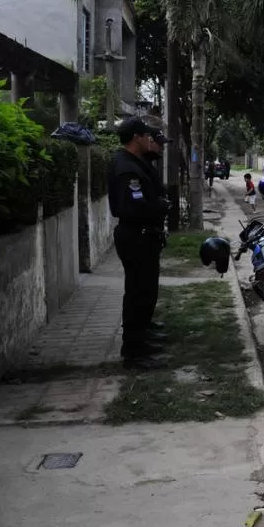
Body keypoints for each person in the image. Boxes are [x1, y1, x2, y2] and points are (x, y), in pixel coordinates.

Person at [108, 117, 171, 370]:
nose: (150, 140)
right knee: (137, 293)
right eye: (146, 136)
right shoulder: (126, 167)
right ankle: (133, 352)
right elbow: (132, 207)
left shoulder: (133, 162)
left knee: (144, 291)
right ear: (136, 137)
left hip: (143, 235)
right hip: (136, 236)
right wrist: (160, 207)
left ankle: (141, 339)